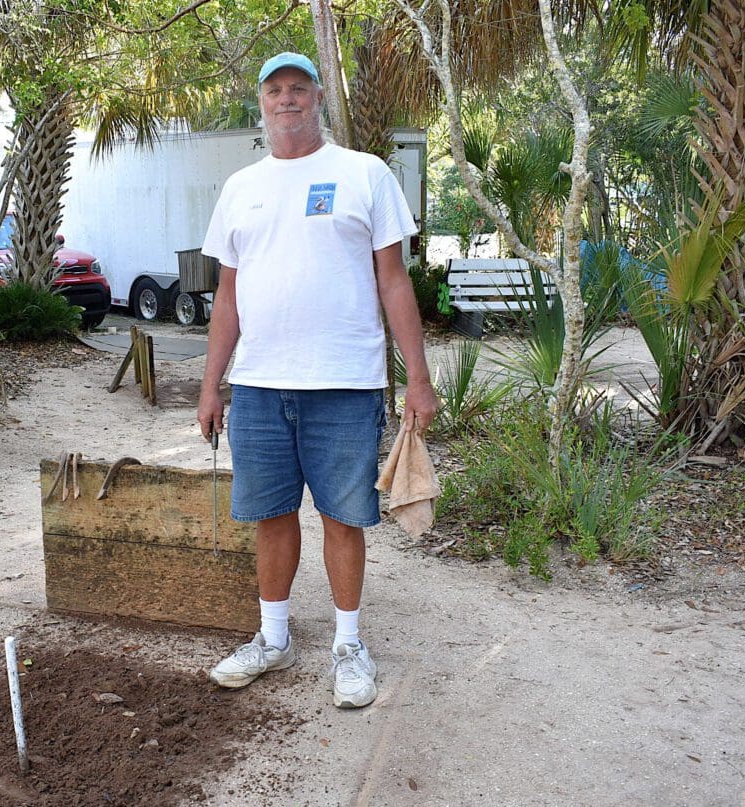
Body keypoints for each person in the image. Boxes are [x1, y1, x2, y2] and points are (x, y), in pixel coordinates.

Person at [197, 52, 437, 709]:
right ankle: (273, 638)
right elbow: (226, 296)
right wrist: (212, 384)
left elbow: (394, 279)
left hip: (345, 383)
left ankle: (349, 646)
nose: (287, 98)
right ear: (262, 103)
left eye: (298, 87)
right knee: (270, 515)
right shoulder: (241, 187)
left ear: (319, 97)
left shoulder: (364, 173)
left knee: (342, 516)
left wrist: (418, 378)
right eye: (274, 89)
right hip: (259, 386)